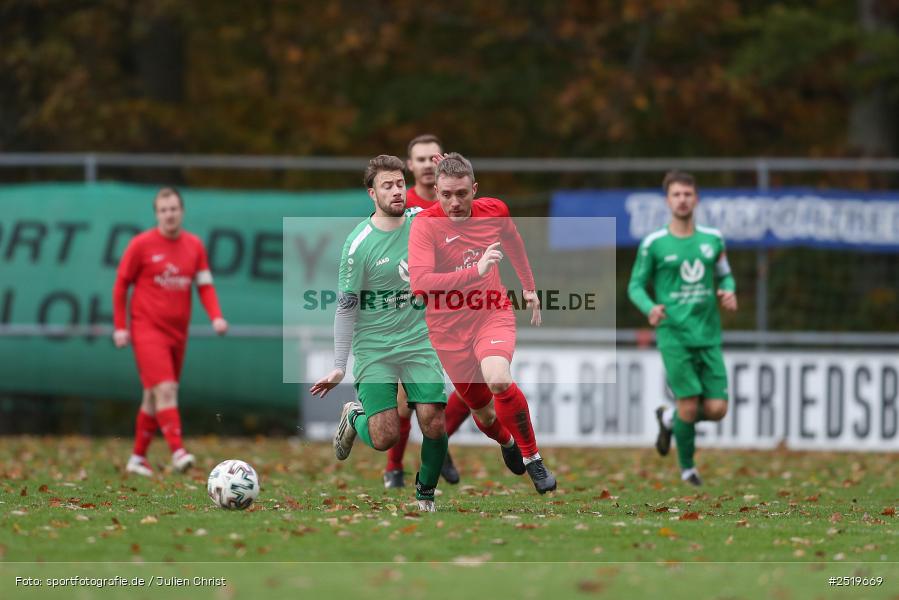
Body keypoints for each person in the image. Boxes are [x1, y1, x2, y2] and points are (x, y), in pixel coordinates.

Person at [408, 152, 556, 494]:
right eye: (446, 195)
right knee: (485, 415)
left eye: (461, 193)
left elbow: (514, 243)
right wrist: (475, 271)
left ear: (474, 189)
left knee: (499, 378)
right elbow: (421, 284)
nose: (454, 202)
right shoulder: (425, 225)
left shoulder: (495, 211)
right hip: (447, 331)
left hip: (491, 312)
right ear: (436, 192)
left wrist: (529, 287)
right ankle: (507, 442)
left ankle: (533, 458)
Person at [309, 155, 450, 511]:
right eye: (387, 186)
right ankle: (353, 416)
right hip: (374, 348)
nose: (397, 190)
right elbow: (346, 308)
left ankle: (425, 495)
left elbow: (457, 207)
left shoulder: (422, 222)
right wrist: (339, 366)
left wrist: (447, 173)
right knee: (385, 437)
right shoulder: (358, 245)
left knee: (433, 421)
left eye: (400, 183)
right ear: (372, 194)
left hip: (418, 341)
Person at [627, 171, 737, 486]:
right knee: (689, 404)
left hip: (708, 335)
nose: (682, 200)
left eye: (688, 194)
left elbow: (725, 275)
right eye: (676, 194)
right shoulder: (654, 244)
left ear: (696, 198)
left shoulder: (713, 239)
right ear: (668, 200)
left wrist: (729, 291)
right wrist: (650, 307)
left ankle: (668, 418)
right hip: (674, 335)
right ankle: (688, 469)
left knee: (717, 409)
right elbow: (635, 286)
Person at [113, 187, 228, 477]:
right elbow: (121, 285)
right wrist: (120, 327)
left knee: (153, 396)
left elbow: (205, 285)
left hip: (177, 333)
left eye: (174, 209)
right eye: (163, 210)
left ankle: (137, 458)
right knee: (166, 389)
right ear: (157, 214)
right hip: (146, 328)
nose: (169, 214)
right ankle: (178, 452)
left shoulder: (194, 245)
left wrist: (216, 317)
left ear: (182, 211)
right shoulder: (141, 245)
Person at [382, 134, 470, 489]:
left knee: (473, 387)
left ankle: (438, 439)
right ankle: (394, 468)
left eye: (433, 158)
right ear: (410, 165)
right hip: (415, 311)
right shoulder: (401, 204)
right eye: (420, 159)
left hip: (457, 308)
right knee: (406, 399)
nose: (427, 165)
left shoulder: (460, 201)